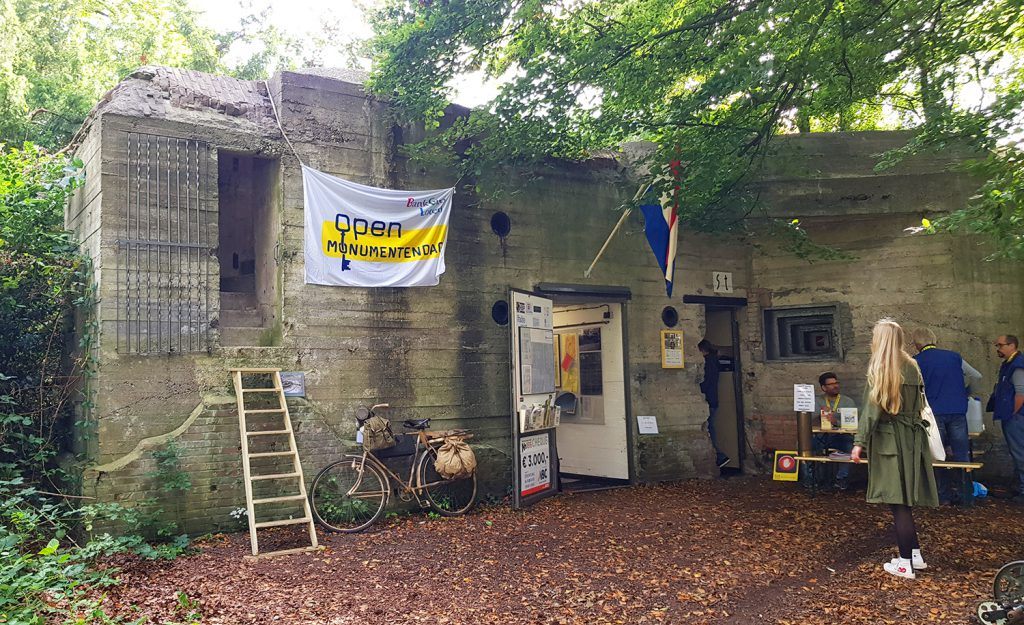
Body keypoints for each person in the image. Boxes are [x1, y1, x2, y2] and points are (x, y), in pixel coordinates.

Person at [851, 319, 938, 580]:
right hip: (913, 439)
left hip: (890, 440)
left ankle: (904, 563)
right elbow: (922, 403)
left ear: (879, 340)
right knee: (906, 502)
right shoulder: (913, 366)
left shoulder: (881, 368)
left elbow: (871, 412)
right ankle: (915, 555)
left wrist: (859, 443)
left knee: (898, 502)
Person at [911, 328, 983, 503]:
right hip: (957, 410)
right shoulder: (954, 357)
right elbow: (976, 376)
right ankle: (966, 496)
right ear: (935, 340)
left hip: (933, 414)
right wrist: (965, 393)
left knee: (937, 455)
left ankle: (942, 496)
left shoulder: (915, 361)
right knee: (961, 454)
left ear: (917, 344)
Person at [989, 335, 1024, 504]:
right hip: (1014, 416)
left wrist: (1013, 414)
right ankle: (1018, 487)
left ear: (1012, 345)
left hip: (1016, 417)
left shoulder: (1017, 366)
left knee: (1020, 454)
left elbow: (1021, 393)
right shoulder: (1009, 364)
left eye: (1001, 345)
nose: (998, 348)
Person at [814, 372, 856, 490]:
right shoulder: (817, 401)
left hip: (842, 436)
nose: (835, 386)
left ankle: (841, 479)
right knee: (807, 445)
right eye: (831, 384)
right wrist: (820, 414)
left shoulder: (847, 401)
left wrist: (836, 421)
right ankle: (814, 479)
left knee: (850, 446)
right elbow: (809, 419)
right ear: (823, 388)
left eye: (836, 383)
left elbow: (853, 423)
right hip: (822, 435)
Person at [698, 339, 729, 468]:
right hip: (712, 399)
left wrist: (700, 390)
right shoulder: (714, 361)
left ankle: (719, 456)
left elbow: (708, 381)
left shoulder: (709, 362)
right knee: (710, 427)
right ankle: (718, 456)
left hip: (709, 399)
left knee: (709, 428)